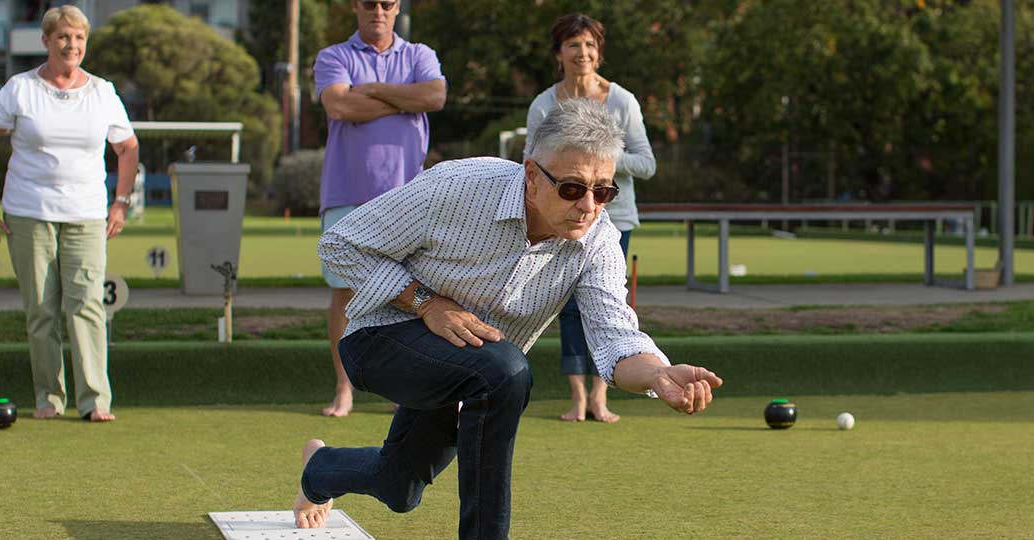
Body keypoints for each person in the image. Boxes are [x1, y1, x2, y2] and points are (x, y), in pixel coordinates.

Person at [294, 99, 721, 539]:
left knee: (399, 487)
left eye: (603, 190)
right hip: (378, 339)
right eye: (572, 188)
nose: (589, 206)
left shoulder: (598, 241)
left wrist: (658, 375)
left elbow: (616, 339)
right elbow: (341, 245)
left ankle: (319, 471)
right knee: (506, 371)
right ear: (532, 175)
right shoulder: (457, 186)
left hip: (469, 369)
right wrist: (427, 303)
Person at [0, 5, 138, 422]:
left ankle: (95, 401)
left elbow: (127, 147)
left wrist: (121, 201)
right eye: (62, 37)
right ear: (46, 42)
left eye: (78, 38)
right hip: (29, 213)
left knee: (88, 306)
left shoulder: (102, 91)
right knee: (41, 309)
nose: (71, 45)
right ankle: (49, 398)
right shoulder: (20, 89)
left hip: (87, 215)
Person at [315, 0, 447, 417]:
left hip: (409, 195)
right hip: (347, 191)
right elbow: (339, 106)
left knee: (409, 293)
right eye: (369, 2)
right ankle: (344, 387)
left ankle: (402, 388)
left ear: (397, 8)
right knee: (345, 292)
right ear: (356, 6)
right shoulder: (334, 56)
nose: (378, 9)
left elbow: (435, 95)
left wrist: (369, 90)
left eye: (386, 3)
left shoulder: (419, 54)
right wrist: (405, 100)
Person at [525, 13, 656, 423]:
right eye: (573, 45)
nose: (583, 53)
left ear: (598, 53)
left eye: (590, 45)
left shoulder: (622, 102)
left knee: (608, 302)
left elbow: (647, 163)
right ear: (558, 53)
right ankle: (578, 397)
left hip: (613, 218)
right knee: (566, 308)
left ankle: (602, 395)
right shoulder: (545, 105)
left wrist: (600, 161)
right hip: (559, 219)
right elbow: (528, 163)